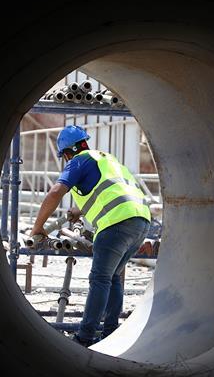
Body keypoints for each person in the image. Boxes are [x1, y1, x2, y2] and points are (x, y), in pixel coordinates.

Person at [29, 125, 151, 346]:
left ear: (67, 152)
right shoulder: (106, 159)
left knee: (100, 279)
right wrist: (80, 210)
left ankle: (85, 337)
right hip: (141, 221)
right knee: (112, 277)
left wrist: (37, 227)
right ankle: (111, 333)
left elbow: (55, 192)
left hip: (115, 225)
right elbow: (112, 191)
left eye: (64, 156)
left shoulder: (78, 161)